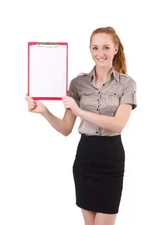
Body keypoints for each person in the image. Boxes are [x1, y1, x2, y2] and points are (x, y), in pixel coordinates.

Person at [25, 27, 136, 225]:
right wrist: (44, 111)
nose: (100, 53)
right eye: (95, 48)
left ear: (115, 49)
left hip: (111, 158)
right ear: (90, 50)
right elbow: (66, 128)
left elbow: (118, 124)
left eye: (105, 47)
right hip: (86, 157)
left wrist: (80, 112)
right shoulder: (78, 83)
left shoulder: (127, 84)